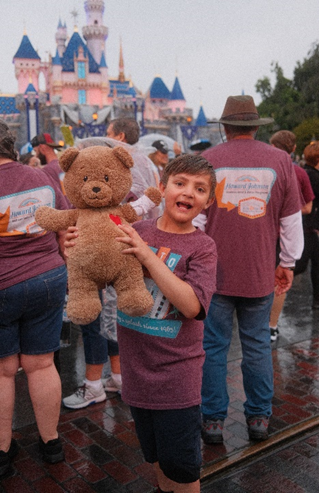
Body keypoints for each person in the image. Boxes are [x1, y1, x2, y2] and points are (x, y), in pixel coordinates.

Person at [65, 154, 218, 493]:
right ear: (162, 188)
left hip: (177, 380)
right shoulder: (136, 229)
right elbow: (101, 273)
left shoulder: (203, 247)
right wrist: (73, 250)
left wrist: (147, 255)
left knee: (182, 470)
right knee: (157, 461)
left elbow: (193, 306)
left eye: (200, 189)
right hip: (136, 377)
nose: (189, 193)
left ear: (209, 200)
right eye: (180, 183)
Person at [200, 95, 304, 444]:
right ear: (257, 127)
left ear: (224, 127)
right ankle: (259, 417)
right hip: (260, 272)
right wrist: (287, 262)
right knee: (257, 345)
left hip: (214, 274)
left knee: (213, 347)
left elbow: (195, 220)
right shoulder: (279, 160)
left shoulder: (207, 160)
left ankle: (213, 420)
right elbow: (291, 220)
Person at [62, 136, 161, 409]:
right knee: (108, 323)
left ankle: (94, 385)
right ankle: (118, 378)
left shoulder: (119, 194)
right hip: (105, 265)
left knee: (96, 326)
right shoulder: (116, 189)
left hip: (116, 265)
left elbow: (130, 219)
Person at [0, 121, 68, 476]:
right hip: (47, 278)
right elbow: (65, 225)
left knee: (3, 372)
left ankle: (2, 449)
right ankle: (51, 442)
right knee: (42, 365)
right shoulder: (41, 178)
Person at [268, 130, 315, 341]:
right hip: (285, 235)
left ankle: (263, 324)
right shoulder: (299, 172)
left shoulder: (265, 170)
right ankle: (271, 326)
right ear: (294, 148)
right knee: (279, 280)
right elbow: (306, 207)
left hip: (265, 233)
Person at [294, 141, 319, 309]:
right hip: (308, 225)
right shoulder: (313, 175)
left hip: (307, 225)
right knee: (300, 265)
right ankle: (274, 283)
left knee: (316, 260)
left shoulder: (309, 173)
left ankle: (318, 297)